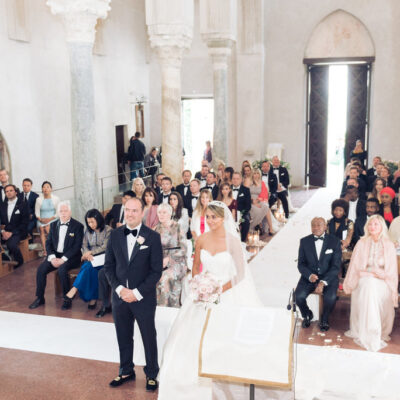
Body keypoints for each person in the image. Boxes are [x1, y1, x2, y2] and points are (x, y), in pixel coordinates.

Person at [157, 201, 261, 399]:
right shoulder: (202, 239)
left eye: (215, 217)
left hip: (226, 292)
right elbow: (195, 266)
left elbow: (240, 274)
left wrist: (218, 290)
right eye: (208, 217)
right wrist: (199, 284)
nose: (211, 220)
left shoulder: (232, 241)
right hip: (203, 293)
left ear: (224, 218)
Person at [104, 197, 162, 391]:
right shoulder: (115, 235)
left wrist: (136, 293)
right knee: (123, 335)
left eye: (134, 210)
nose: (129, 214)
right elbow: (109, 267)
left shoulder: (152, 237)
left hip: (143, 297)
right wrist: (120, 290)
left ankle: (152, 373)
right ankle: (126, 370)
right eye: (127, 210)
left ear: (142, 212)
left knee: (148, 335)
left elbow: (156, 271)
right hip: (120, 298)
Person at [343, 215, 398, 352]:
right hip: (363, 280)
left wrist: (373, 273)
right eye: (370, 224)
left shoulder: (389, 244)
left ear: (382, 227)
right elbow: (356, 268)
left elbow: (390, 273)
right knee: (368, 285)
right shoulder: (361, 243)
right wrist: (370, 274)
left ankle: (375, 330)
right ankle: (371, 330)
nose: (372, 227)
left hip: (383, 282)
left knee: (371, 285)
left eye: (376, 224)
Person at [29, 201, 84, 310]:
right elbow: (49, 243)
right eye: (61, 211)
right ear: (58, 213)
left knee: (62, 270)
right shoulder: (53, 225)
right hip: (55, 255)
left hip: (72, 257)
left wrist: (63, 259)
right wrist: (52, 257)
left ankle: (67, 298)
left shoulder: (78, 226)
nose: (63, 213)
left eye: (65, 211)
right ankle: (40, 298)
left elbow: (76, 247)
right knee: (41, 269)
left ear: (70, 212)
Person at [295, 217, 342, 332]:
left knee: (330, 297)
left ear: (325, 226)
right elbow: (301, 264)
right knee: (298, 296)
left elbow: (336, 266)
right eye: (313, 225)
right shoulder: (304, 241)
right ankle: (307, 314)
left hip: (328, 277)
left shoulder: (334, 241)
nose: (315, 228)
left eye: (319, 225)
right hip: (309, 277)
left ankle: (324, 319)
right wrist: (310, 275)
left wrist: (323, 281)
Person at [65, 209, 112, 309]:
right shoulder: (88, 231)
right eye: (88, 222)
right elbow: (84, 244)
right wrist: (87, 253)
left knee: (88, 266)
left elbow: (105, 246)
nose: (90, 224)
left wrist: (91, 253)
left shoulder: (108, 230)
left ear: (98, 220)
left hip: (105, 258)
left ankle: (74, 290)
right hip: (92, 259)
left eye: (92, 222)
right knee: (92, 269)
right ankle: (93, 298)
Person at [155, 203, 187, 307]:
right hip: (159, 262)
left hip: (177, 262)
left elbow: (183, 249)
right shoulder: (155, 229)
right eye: (159, 212)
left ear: (170, 213)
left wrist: (169, 258)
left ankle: (167, 308)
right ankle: (156, 311)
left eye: (164, 212)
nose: (161, 215)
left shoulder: (178, 227)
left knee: (165, 278)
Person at [0, 184, 29, 267]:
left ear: (16, 192)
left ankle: (19, 261)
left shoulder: (23, 204)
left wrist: (11, 233)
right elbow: (1, 222)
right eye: (6, 191)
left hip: (19, 231)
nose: (8, 193)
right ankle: (5, 257)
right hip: (5, 230)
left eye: (11, 190)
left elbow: (25, 223)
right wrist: (3, 231)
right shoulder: (2, 205)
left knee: (11, 245)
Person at [35, 181, 60, 257]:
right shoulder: (38, 199)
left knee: (48, 228)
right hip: (41, 219)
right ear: (42, 189)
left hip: (53, 218)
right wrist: (41, 219)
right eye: (44, 187)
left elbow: (58, 213)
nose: (45, 189)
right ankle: (45, 250)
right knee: (42, 228)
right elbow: (37, 213)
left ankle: (53, 248)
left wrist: (49, 219)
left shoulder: (56, 198)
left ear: (51, 189)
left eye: (47, 187)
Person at [249, 169, 275, 234]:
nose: (256, 175)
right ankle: (251, 227)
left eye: (257, 173)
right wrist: (252, 201)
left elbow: (265, 194)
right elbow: (246, 194)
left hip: (259, 200)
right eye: (254, 173)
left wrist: (260, 199)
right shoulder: (249, 182)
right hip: (250, 201)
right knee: (257, 210)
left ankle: (271, 229)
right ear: (252, 174)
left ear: (259, 174)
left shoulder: (261, 182)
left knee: (266, 206)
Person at [231, 172, 251, 242]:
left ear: (241, 180)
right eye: (234, 178)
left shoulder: (246, 190)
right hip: (229, 212)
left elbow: (248, 206)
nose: (235, 180)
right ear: (231, 180)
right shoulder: (227, 189)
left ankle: (242, 241)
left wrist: (241, 214)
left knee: (246, 221)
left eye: (237, 179)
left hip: (242, 212)